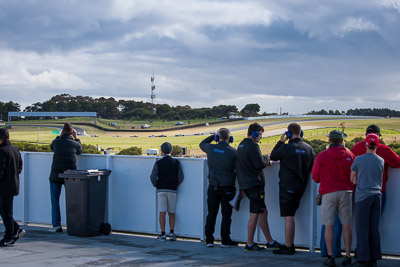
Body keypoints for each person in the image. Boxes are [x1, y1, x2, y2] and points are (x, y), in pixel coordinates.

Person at [312, 130, 355, 267]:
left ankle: (330, 257)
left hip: (329, 192)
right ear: (342, 141)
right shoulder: (349, 155)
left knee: (328, 225)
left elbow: (315, 176)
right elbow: (354, 175)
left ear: (330, 141)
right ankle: (347, 255)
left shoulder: (322, 155)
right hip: (346, 191)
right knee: (346, 224)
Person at [270, 123, 314, 255]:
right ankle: (289, 244)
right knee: (291, 215)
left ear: (288, 134)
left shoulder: (286, 147)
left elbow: (273, 156)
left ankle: (289, 246)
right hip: (301, 186)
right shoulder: (309, 148)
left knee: (289, 216)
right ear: (301, 133)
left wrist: (280, 141)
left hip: (287, 185)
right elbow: (312, 167)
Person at [236, 122, 281, 252]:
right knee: (255, 213)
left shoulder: (241, 145)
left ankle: (269, 241)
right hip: (255, 184)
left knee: (262, 211)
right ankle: (249, 244)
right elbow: (258, 164)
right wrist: (267, 159)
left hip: (247, 183)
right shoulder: (253, 146)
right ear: (255, 133)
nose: (261, 137)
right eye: (260, 134)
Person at [199, 128, 238, 248]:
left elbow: (202, 144)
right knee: (226, 215)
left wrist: (212, 136)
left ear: (217, 138)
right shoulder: (233, 152)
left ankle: (209, 239)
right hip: (228, 187)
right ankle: (225, 240)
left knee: (211, 213)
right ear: (230, 139)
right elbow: (237, 169)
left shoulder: (211, 148)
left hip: (213, 187)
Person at [351, 133, 384, 267]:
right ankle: (374, 257)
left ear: (366, 144)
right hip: (377, 195)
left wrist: (357, 178)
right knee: (374, 227)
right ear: (377, 145)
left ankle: (362, 258)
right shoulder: (381, 160)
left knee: (362, 228)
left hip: (363, 196)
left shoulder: (359, 159)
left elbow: (352, 178)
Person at [352, 124, 400, 213]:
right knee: (375, 223)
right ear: (378, 136)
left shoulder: (357, 147)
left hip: (360, 191)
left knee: (362, 222)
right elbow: (397, 163)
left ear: (366, 135)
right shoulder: (384, 149)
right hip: (378, 191)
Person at [49, 123, 82, 232]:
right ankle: (73, 225)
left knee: (55, 201)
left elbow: (51, 147)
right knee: (72, 201)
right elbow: (79, 151)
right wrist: (76, 138)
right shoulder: (75, 144)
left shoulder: (56, 142)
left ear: (62, 131)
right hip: (69, 176)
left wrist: (59, 136)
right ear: (72, 132)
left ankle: (56, 225)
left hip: (55, 176)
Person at [150, 142, 184, 241]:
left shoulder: (158, 163)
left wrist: (157, 185)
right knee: (172, 212)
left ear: (161, 151)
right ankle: (172, 233)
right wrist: (175, 184)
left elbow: (153, 177)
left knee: (162, 212)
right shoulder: (176, 162)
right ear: (171, 151)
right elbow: (181, 177)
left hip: (161, 189)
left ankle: (163, 233)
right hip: (172, 189)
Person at [0, 128, 25, 247]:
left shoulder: (1, 151)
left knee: (6, 212)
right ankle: (16, 229)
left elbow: (0, 171)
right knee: (5, 211)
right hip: (13, 184)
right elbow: (20, 167)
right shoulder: (15, 149)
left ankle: (9, 237)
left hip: (3, 186)